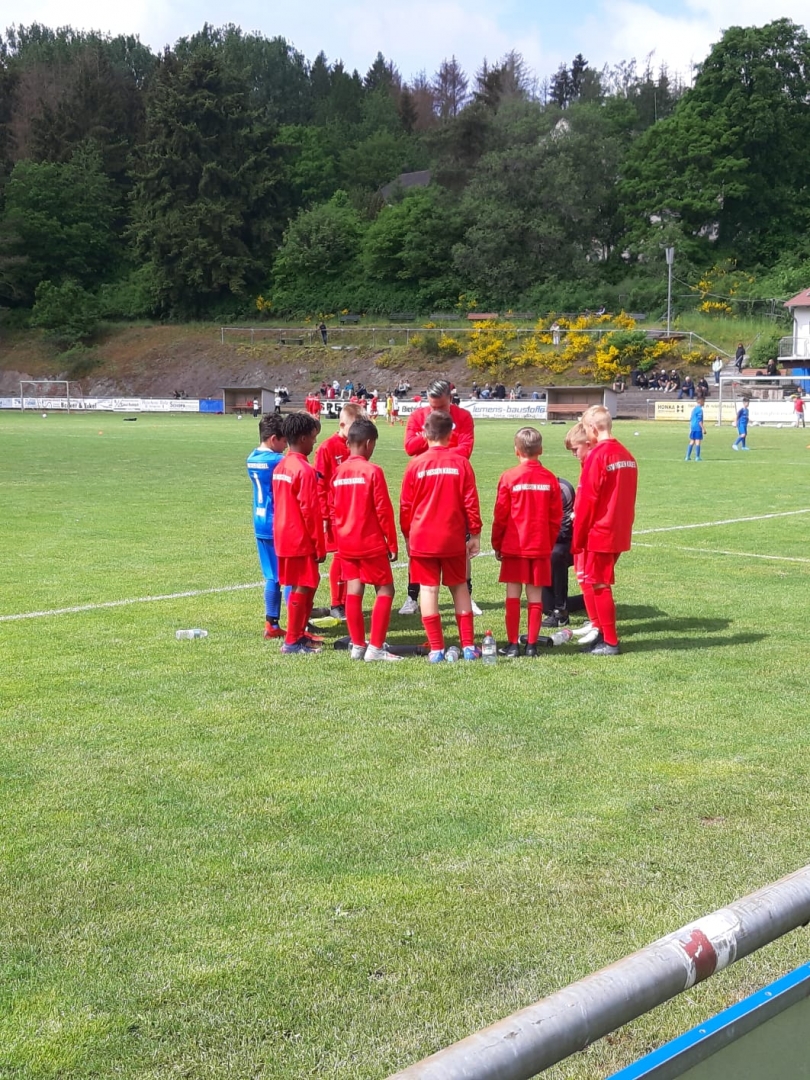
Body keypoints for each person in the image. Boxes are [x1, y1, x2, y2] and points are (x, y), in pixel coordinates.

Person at [400, 410, 482, 663]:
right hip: (452, 537)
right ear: (451, 435)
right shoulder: (461, 463)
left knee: (428, 589)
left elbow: (406, 506)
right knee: (460, 587)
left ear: (424, 434)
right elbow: (471, 501)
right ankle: (468, 646)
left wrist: (407, 535)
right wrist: (475, 533)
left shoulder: (415, 464)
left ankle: (436, 649)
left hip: (423, 538)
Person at [400, 379, 478, 616]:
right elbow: (409, 447)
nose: (436, 411)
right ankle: (412, 596)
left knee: (462, 543)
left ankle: (467, 594)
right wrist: (431, 438)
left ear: (450, 399)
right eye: (433, 407)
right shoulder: (418, 417)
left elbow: (466, 449)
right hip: (426, 483)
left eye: (441, 407)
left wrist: (438, 454)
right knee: (419, 542)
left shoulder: (463, 417)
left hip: (452, 483)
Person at [331, 418, 400, 662]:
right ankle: (376, 648)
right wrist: (392, 542)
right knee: (385, 590)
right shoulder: (372, 471)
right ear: (369, 443)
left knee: (354, 589)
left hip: (346, 542)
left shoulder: (338, 472)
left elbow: (333, 508)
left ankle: (358, 645)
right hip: (370, 542)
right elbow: (383, 510)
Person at [572, 405, 638, 656]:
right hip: (620, 528)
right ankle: (601, 633)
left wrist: (578, 538)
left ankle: (610, 641)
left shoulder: (598, 456)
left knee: (599, 584)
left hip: (601, 530)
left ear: (592, 428)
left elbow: (587, 500)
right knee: (597, 581)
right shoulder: (627, 454)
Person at [491, 427, 562, 657]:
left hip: (514, 546)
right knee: (535, 596)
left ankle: (512, 644)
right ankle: (531, 645)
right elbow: (556, 517)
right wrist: (548, 543)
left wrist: (497, 543)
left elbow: (501, 515)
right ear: (541, 450)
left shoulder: (509, 477)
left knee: (513, 594)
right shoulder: (550, 478)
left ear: (516, 450)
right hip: (539, 546)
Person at [272, 412, 326, 654]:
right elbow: (310, 511)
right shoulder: (304, 470)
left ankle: (299, 634)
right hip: (299, 537)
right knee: (304, 584)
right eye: (313, 437)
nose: (314, 442)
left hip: (283, 533)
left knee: (308, 582)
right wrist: (319, 545)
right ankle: (292, 641)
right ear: (303, 438)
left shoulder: (281, 465)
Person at [315, 402, 365, 620]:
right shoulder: (327, 448)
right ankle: (337, 603)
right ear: (342, 424)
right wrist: (324, 514)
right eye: (353, 427)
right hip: (336, 513)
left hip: (355, 512)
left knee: (353, 557)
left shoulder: (358, 445)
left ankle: (348, 601)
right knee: (339, 556)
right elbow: (319, 484)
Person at [247, 414, 288, 639]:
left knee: (272, 576)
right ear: (273, 439)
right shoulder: (277, 461)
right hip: (276, 523)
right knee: (289, 575)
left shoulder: (251, 458)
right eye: (284, 441)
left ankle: (271, 624)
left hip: (259, 521)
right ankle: (299, 626)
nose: (286, 446)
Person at [685, 396, 706, 461]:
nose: (704, 403)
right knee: (698, 442)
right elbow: (699, 421)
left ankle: (687, 457)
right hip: (697, 427)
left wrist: (691, 427)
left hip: (693, 427)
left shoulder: (694, 409)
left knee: (692, 441)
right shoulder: (700, 410)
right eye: (704, 402)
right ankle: (697, 457)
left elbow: (691, 418)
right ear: (701, 402)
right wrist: (703, 428)